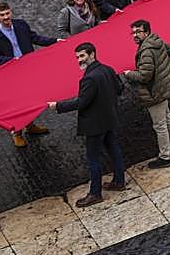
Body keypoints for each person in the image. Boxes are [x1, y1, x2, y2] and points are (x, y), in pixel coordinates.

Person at [48, 43, 126, 207]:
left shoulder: (89, 78)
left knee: (93, 159)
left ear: (92, 54)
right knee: (114, 150)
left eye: (82, 56)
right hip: (109, 119)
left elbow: (81, 102)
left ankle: (95, 193)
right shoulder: (108, 69)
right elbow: (119, 89)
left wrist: (58, 106)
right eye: (77, 57)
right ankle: (119, 181)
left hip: (95, 125)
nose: (79, 60)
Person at [0, 2, 55, 145]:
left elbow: (35, 38)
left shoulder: (21, 25)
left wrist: (55, 41)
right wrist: (12, 60)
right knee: (18, 104)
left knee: (31, 99)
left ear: (11, 12)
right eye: (2, 15)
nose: (6, 17)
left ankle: (30, 125)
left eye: (7, 13)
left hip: (29, 69)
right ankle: (16, 132)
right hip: (12, 74)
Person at [121, 20, 170, 167]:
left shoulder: (146, 51)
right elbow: (169, 49)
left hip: (154, 91)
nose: (135, 35)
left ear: (146, 32)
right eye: (133, 32)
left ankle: (164, 157)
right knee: (167, 118)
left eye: (138, 32)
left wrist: (129, 74)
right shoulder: (156, 41)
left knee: (159, 125)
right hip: (164, 87)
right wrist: (160, 65)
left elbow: (144, 76)